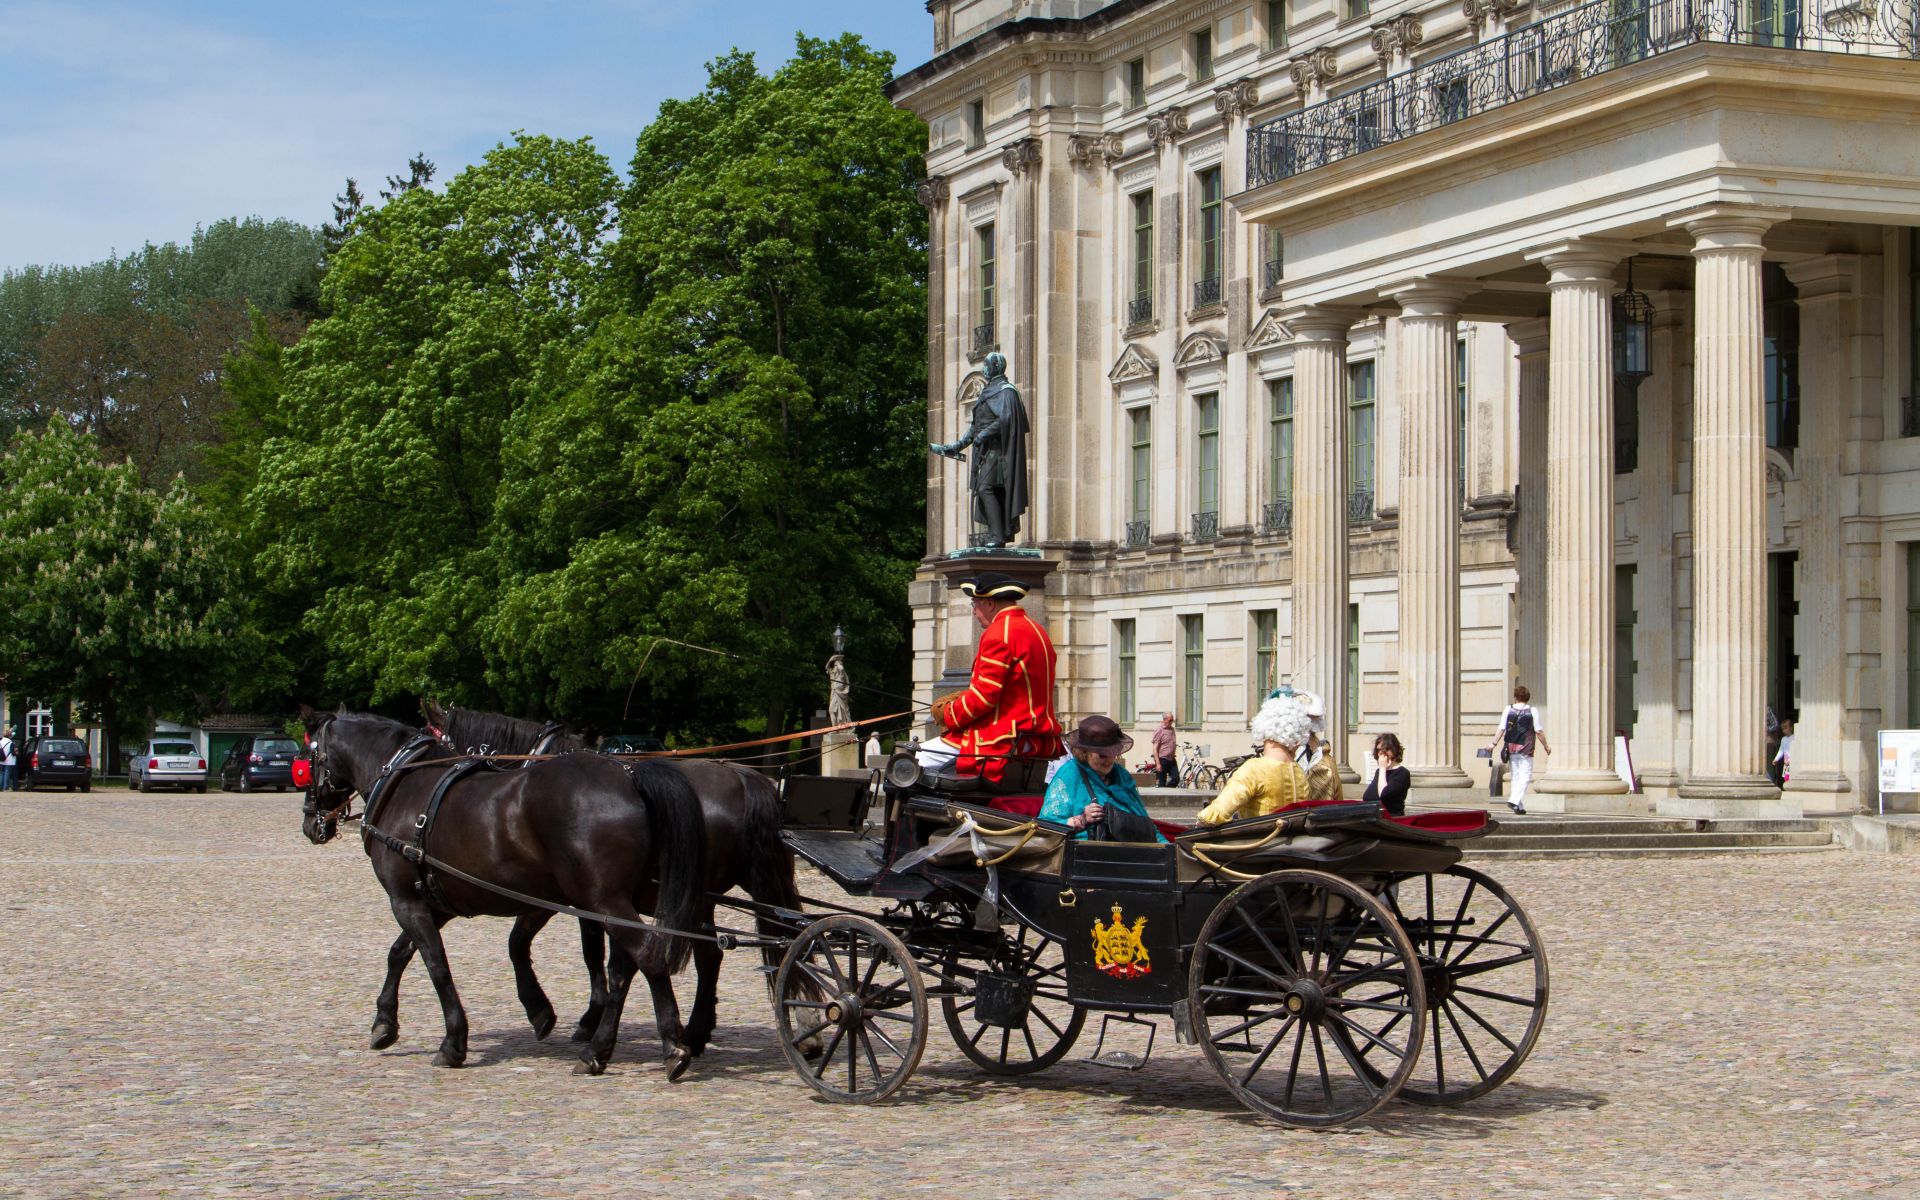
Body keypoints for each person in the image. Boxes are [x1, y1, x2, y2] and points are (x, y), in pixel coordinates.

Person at [916, 571, 1063, 785]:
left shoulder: (999, 633)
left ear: (990, 603)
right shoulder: (1037, 630)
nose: (974, 612)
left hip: (1000, 741)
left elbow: (984, 697)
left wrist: (948, 714)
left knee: (909, 762)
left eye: (975, 604)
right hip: (1037, 739)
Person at [930, 351, 1032, 548]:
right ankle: (997, 535)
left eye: (986, 365)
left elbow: (1007, 419)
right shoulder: (989, 391)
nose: (983, 368)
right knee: (984, 489)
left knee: (985, 488)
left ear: (995, 367)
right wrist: (957, 446)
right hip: (987, 453)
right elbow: (976, 427)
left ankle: (998, 536)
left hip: (1000, 453)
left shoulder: (1007, 391)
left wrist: (985, 434)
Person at [1195, 689, 1313, 825]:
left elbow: (1214, 814)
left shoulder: (1256, 769)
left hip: (1259, 842)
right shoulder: (1299, 771)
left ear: (1263, 726)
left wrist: (1201, 820)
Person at [1040, 715, 1165, 842]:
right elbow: (1047, 826)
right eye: (1102, 755)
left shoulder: (1122, 775)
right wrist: (1082, 819)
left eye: (1113, 753)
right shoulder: (1069, 775)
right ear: (1085, 752)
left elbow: (1144, 821)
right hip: (1087, 854)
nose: (1109, 761)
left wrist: (1167, 848)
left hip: (1133, 852)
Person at [1490, 685, 1552, 816]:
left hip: (1511, 746)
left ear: (1515, 697)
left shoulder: (1508, 709)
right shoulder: (1532, 710)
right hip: (1526, 747)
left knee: (1516, 776)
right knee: (1526, 776)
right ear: (1527, 698)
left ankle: (1518, 806)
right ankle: (1514, 800)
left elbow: (1501, 728)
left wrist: (1493, 744)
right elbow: (1538, 731)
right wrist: (1546, 746)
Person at [1363, 732, 1411, 817]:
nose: (1381, 753)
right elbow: (1368, 797)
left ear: (1395, 750)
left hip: (1391, 819)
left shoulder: (1402, 773)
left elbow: (1384, 795)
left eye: (1386, 749)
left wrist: (1382, 768)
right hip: (1373, 818)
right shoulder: (1379, 772)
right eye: (1378, 750)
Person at [1151, 713, 1177, 788]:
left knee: (1176, 778)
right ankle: (1163, 795)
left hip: (1171, 758)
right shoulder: (1159, 730)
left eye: (1172, 720)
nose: (1172, 722)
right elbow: (1155, 747)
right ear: (1164, 720)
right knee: (1162, 782)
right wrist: (1158, 763)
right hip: (1162, 759)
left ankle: (1167, 791)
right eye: (1170, 720)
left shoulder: (1172, 729)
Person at [1772, 719, 1795, 787]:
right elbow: (1781, 750)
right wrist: (1776, 759)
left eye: (1786, 728)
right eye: (1783, 729)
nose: (1784, 730)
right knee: (1786, 778)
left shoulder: (1794, 738)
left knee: (1793, 777)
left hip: (1793, 762)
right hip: (1786, 763)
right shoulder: (1783, 739)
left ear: (1791, 728)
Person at [0, 727, 14, 793]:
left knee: (2, 773)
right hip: (9, 760)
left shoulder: (1, 741)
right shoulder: (10, 742)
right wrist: (16, 752)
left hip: (1, 759)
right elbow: (12, 752)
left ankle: (1, 786)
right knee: (7, 774)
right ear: (9, 735)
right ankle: (5, 787)